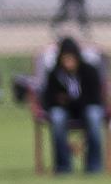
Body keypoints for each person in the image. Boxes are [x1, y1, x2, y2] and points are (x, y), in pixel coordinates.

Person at [40, 37, 106, 175]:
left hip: (86, 108)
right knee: (57, 117)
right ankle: (63, 166)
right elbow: (49, 99)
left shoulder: (89, 71)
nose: (68, 62)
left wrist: (70, 100)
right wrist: (63, 101)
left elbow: (94, 98)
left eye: (71, 58)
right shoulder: (55, 74)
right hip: (64, 110)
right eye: (65, 58)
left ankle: (94, 166)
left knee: (94, 115)